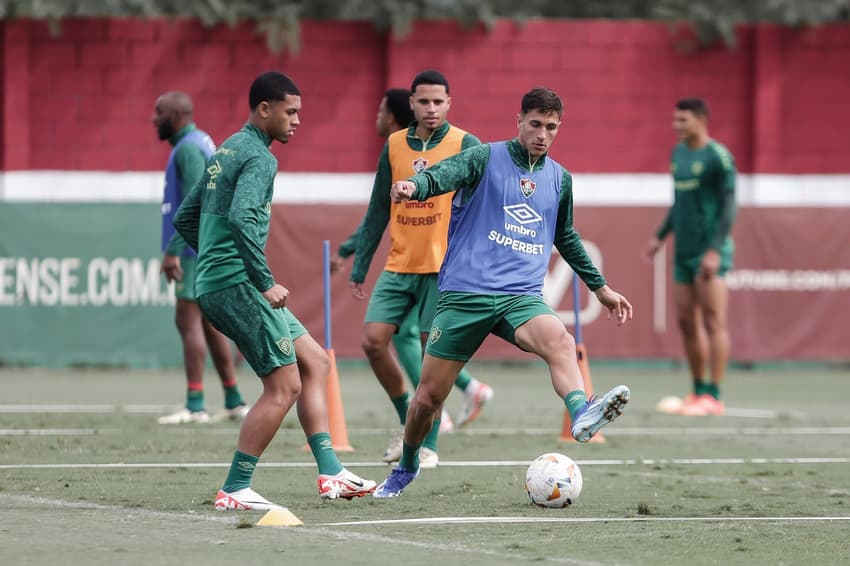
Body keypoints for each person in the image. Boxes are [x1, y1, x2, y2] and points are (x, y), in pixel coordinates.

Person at [373, 86, 632, 498]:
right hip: (465, 295)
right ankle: (407, 465)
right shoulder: (484, 157)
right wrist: (414, 187)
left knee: (560, 341)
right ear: (519, 121)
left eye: (551, 127)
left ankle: (581, 410)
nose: (542, 134)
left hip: (520, 297)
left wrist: (600, 288)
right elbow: (444, 175)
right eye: (535, 124)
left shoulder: (560, 179)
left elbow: (565, 236)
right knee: (428, 399)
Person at [173, 71, 376, 510]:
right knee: (284, 386)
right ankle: (235, 488)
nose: (297, 120)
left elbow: (186, 218)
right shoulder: (260, 158)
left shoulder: (228, 148)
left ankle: (331, 473)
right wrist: (262, 281)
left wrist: (213, 259)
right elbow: (245, 217)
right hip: (237, 284)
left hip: (223, 279)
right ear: (264, 109)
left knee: (315, 362)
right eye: (291, 111)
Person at [330, 88, 494, 438]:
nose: (431, 108)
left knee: (427, 351)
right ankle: (410, 414)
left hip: (443, 270)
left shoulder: (467, 144)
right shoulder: (393, 145)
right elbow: (377, 210)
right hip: (399, 266)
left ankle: (429, 441)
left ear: (450, 102)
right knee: (374, 341)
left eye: (438, 102)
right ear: (412, 105)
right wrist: (358, 264)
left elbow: (487, 203)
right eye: (424, 102)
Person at [152, 91, 248, 424]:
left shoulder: (189, 148)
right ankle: (234, 399)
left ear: (176, 115)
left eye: (159, 112)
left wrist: (173, 251)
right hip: (207, 245)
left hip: (194, 248)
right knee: (210, 324)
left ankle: (195, 404)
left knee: (188, 320)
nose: (154, 118)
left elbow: (198, 204)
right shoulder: (200, 142)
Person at [646, 98, 737, 417]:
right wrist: (660, 235)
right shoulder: (678, 154)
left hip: (709, 251)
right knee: (687, 322)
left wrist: (714, 250)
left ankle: (714, 395)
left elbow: (728, 208)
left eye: (682, 120)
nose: (677, 126)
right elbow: (679, 202)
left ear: (700, 119)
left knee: (713, 320)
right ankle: (697, 390)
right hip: (683, 252)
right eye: (675, 120)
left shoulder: (718, 157)